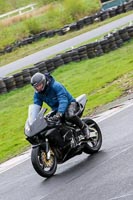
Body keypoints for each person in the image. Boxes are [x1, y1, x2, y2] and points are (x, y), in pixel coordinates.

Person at [30, 72, 90, 139]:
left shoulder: (55, 86)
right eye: (36, 87)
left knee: (69, 116)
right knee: (47, 123)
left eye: (39, 85)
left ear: (44, 82)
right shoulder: (38, 94)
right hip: (56, 109)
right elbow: (36, 106)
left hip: (69, 104)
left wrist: (60, 113)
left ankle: (83, 127)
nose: (38, 88)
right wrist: (33, 121)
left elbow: (63, 100)